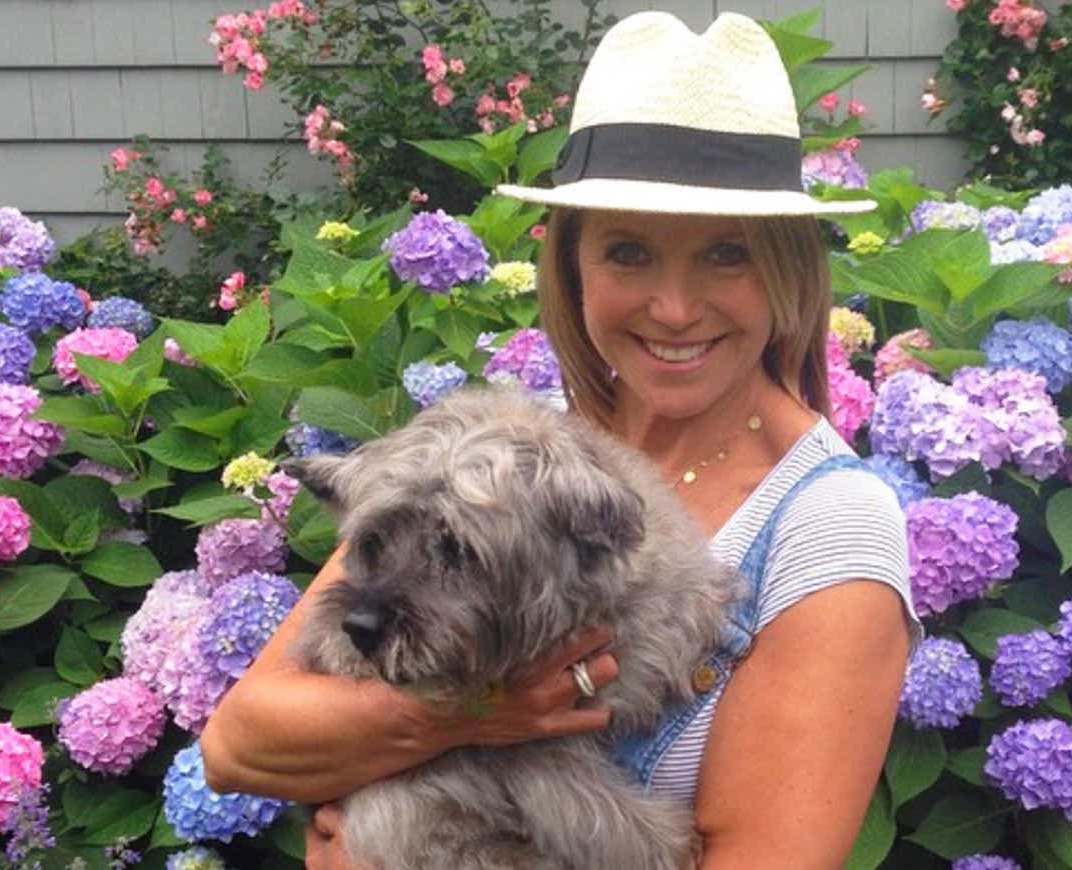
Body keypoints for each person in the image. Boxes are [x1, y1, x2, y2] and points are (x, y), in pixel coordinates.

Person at [199, 10, 916, 868]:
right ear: (572, 266)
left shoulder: (827, 530)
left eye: (727, 255)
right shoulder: (508, 456)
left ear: (790, 271)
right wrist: (467, 715)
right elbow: (239, 746)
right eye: (629, 253)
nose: (676, 307)